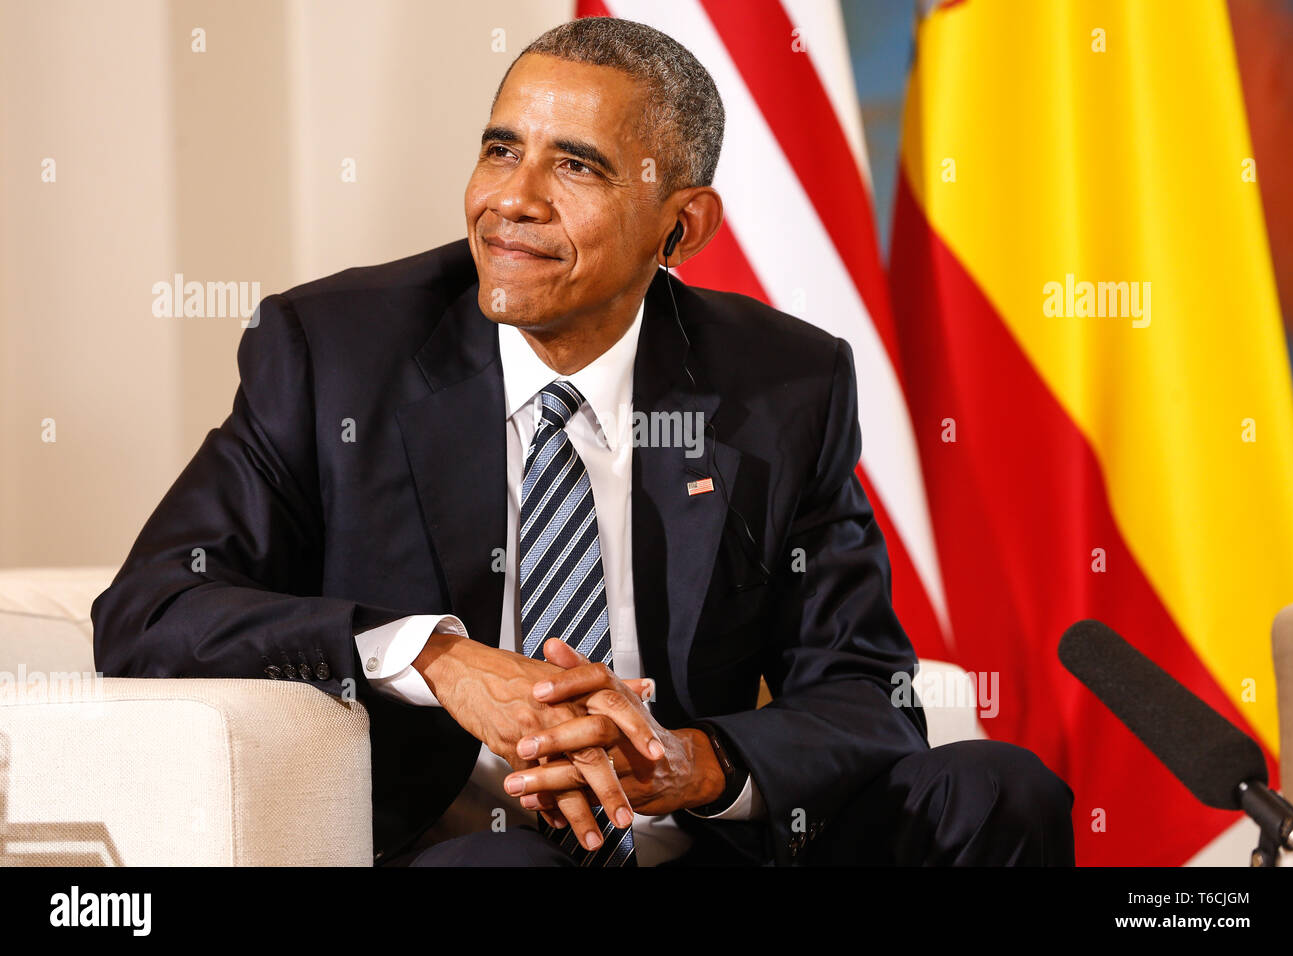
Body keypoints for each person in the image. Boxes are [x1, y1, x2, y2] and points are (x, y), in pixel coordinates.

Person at [91, 16, 1075, 866]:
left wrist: (691, 762)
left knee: (994, 786)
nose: (512, 199)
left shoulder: (781, 382)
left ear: (681, 228)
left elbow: (865, 693)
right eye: (499, 149)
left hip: (701, 838)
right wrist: (437, 658)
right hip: (467, 844)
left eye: (575, 165)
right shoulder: (339, 352)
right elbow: (150, 606)